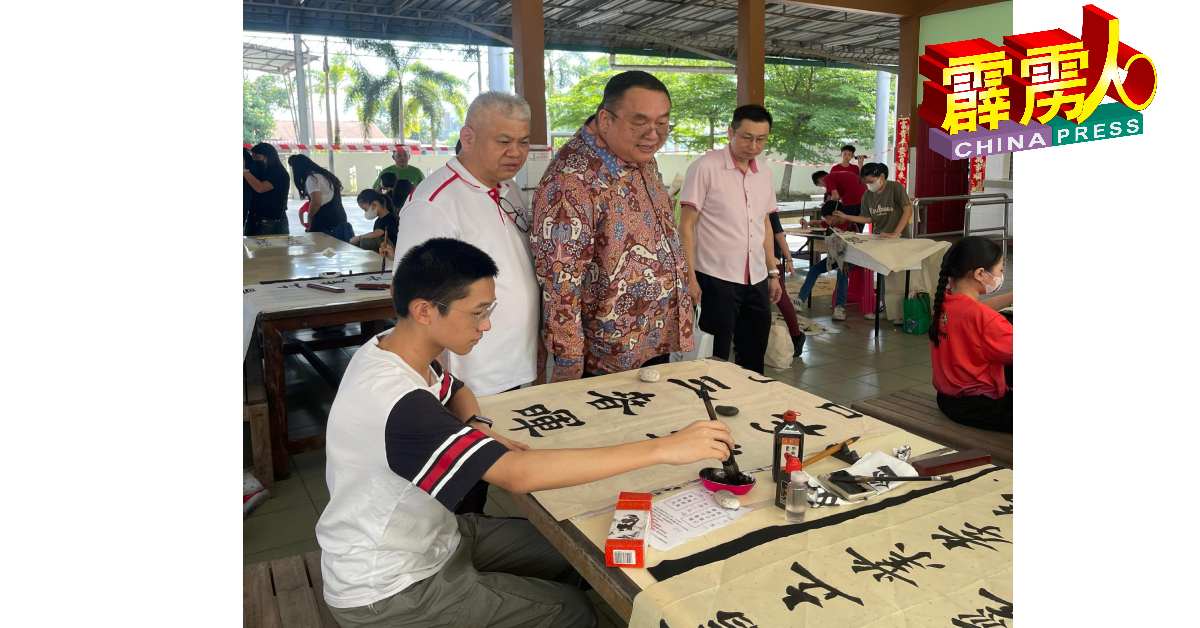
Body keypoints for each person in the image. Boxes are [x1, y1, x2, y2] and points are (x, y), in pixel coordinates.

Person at [316, 237, 736, 628]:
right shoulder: (396, 400)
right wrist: (665, 448)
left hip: (434, 538)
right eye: (477, 313)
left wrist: (476, 430)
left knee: (580, 553)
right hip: (391, 586)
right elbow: (516, 474)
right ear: (425, 310)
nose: (486, 327)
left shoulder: (394, 350)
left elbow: (456, 391)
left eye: (488, 312)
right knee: (572, 611)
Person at [531, 70, 695, 381]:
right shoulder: (571, 180)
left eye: (662, 123)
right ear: (605, 120)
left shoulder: (643, 158)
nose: (654, 134)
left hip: (650, 340)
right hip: (605, 359)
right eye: (640, 122)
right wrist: (569, 370)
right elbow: (561, 284)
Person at [388, 91, 540, 399]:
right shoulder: (435, 202)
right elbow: (417, 303)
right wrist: (442, 389)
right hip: (472, 379)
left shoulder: (509, 190)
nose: (516, 152)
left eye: (523, 142)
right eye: (503, 141)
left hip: (518, 363)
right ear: (468, 138)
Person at [678, 104, 785, 374]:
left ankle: (749, 408)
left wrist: (773, 271)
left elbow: (764, 224)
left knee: (754, 352)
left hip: (757, 277)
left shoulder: (765, 173)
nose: (754, 145)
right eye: (747, 137)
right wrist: (689, 277)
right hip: (716, 278)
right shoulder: (705, 167)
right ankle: (709, 410)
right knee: (714, 356)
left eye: (761, 139)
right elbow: (686, 225)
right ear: (731, 132)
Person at [928, 236, 1013, 432]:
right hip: (980, 407)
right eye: (1000, 270)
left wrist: (1012, 297)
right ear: (980, 274)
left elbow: (974, 310)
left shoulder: (943, 302)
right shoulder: (986, 320)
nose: (1001, 275)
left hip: (947, 400)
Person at [832, 162, 914, 324]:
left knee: (898, 276)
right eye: (866, 183)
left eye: (871, 181)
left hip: (899, 239)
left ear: (881, 177)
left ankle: (900, 313)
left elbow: (907, 209)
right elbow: (868, 218)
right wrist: (847, 217)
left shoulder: (895, 188)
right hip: (879, 238)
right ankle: (885, 309)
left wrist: (896, 233)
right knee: (882, 274)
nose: (869, 185)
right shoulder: (867, 196)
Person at [795, 200, 855, 321]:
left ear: (836, 214)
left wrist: (846, 262)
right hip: (835, 258)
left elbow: (855, 245)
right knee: (814, 270)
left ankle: (840, 307)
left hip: (850, 259)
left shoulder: (851, 225)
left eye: (828, 218)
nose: (827, 221)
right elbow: (818, 223)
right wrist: (806, 223)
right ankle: (800, 300)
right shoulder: (830, 223)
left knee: (842, 272)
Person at [288, 154, 354, 242]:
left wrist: (310, 218)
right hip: (339, 219)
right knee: (335, 251)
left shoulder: (312, 179)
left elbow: (316, 202)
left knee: (322, 252)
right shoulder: (325, 175)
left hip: (326, 224)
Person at [769, 211, 805, 356]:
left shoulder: (768, 207)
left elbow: (779, 234)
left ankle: (796, 335)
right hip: (749, 258)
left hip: (771, 260)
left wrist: (789, 259)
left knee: (781, 298)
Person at [243, 143, 291, 236]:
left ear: (267, 156)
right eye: (253, 157)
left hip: (269, 221)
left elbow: (260, 188)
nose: (254, 160)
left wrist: (244, 171)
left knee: (268, 250)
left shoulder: (278, 172)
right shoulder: (262, 171)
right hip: (258, 218)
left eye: (257, 156)